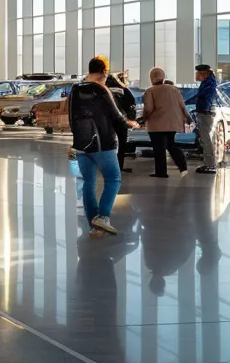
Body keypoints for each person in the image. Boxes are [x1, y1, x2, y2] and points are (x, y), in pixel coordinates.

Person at [70, 56, 138, 237]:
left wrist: (77, 138)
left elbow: (71, 117)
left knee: (88, 183)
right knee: (113, 179)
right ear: (104, 72)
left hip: (82, 144)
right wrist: (131, 123)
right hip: (103, 143)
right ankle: (103, 217)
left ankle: (94, 225)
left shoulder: (75, 89)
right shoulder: (102, 90)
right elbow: (116, 116)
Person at [141, 68, 189, 178]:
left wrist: (143, 119)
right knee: (171, 144)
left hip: (156, 123)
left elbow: (149, 108)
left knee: (159, 148)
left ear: (151, 78)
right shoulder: (174, 90)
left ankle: (161, 172)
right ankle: (182, 165)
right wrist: (187, 118)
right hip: (172, 123)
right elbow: (182, 106)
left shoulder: (150, 91)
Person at [189, 65, 221, 175]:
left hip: (205, 114)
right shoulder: (208, 83)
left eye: (198, 74)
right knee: (204, 139)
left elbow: (205, 98)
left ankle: (211, 165)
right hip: (204, 112)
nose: (196, 76)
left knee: (206, 140)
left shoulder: (209, 85)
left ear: (204, 74)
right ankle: (208, 164)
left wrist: (203, 110)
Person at [104, 73, 137, 173]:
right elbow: (132, 105)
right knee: (122, 145)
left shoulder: (103, 91)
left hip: (106, 122)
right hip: (122, 121)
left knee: (106, 144)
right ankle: (119, 166)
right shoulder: (125, 91)